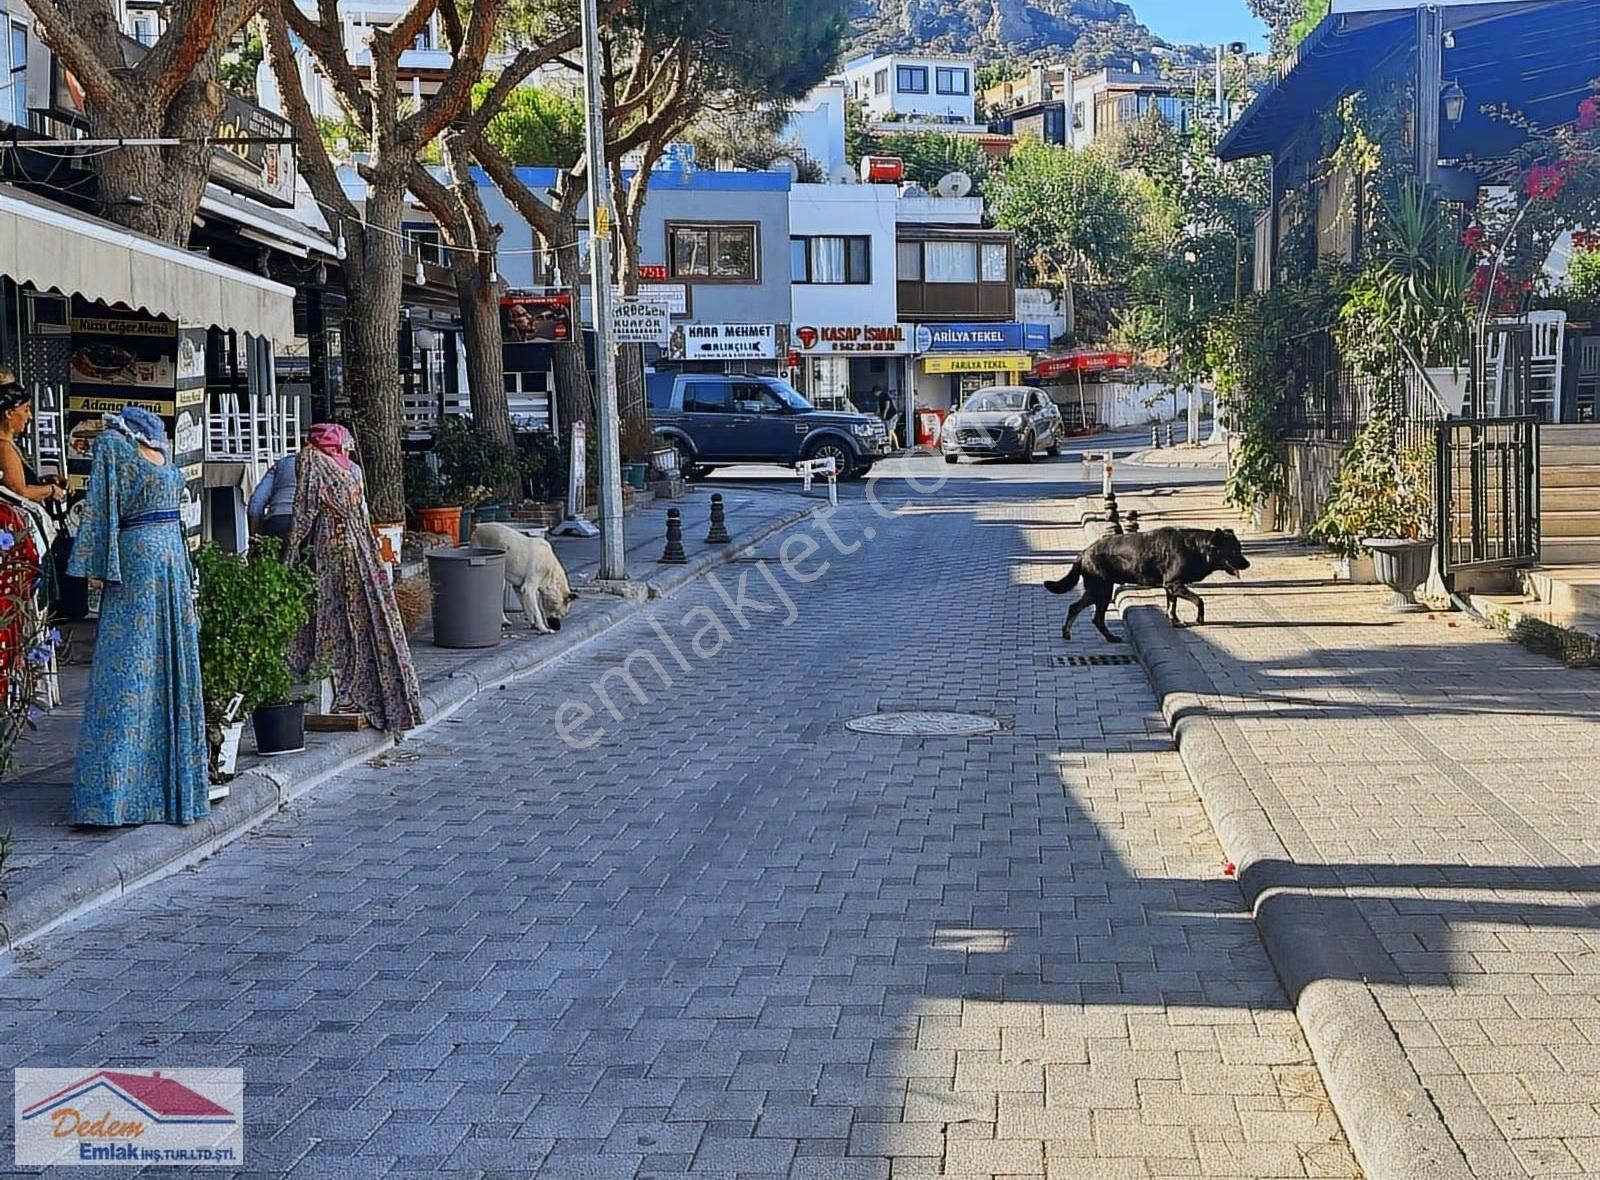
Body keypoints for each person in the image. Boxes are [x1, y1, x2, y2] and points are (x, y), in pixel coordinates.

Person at [67, 407, 209, 827]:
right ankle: (113, 795)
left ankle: (166, 791)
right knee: (130, 670)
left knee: (170, 667)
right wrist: (99, 567)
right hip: (139, 565)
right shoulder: (113, 443)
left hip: (171, 561)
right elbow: (99, 507)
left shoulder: (158, 441)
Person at [285, 423, 422, 732]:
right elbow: (358, 511)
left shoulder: (314, 460)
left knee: (334, 611)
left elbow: (304, 509)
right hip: (357, 544)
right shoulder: (346, 468)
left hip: (334, 543)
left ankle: (341, 677)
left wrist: (290, 553)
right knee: (358, 612)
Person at [248, 431, 363, 540]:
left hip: (278, 522)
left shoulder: (284, 463)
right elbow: (358, 507)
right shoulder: (349, 468)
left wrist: (255, 538)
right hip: (319, 529)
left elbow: (256, 503)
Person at [0, 384, 67, 509]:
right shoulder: (4, 449)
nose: (30, 416)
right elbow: (19, 494)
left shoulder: (7, 445)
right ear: (9, 413)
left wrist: (44, 482)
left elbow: (17, 483)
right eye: (26, 410)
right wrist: (51, 490)